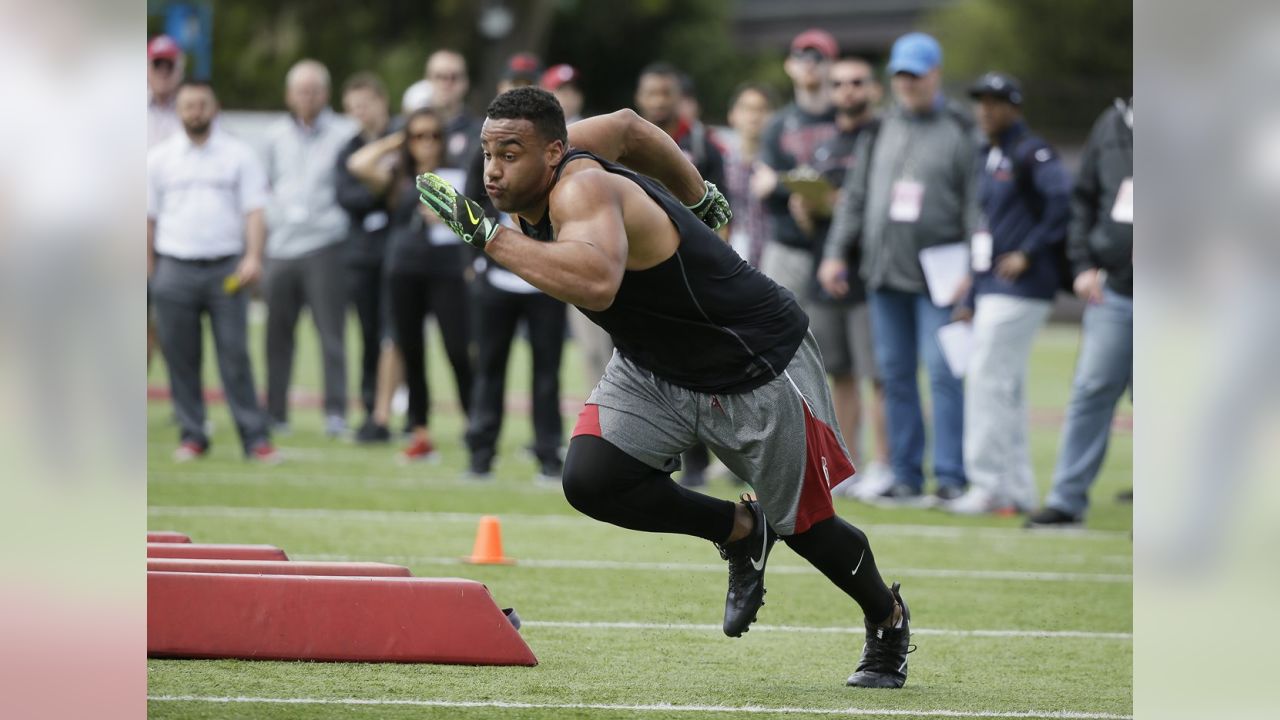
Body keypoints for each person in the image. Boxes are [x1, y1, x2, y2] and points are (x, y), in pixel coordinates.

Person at [416, 86, 913, 688]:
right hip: (656, 364)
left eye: (510, 154)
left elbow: (597, 281)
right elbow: (628, 126)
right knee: (592, 478)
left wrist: (489, 238)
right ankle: (738, 529)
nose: (492, 170)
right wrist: (700, 197)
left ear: (553, 152)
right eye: (488, 152)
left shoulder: (580, 186)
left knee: (807, 529)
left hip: (750, 364)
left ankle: (886, 619)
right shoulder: (552, 158)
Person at [818, 32, 977, 505]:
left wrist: (973, 268)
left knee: (944, 373)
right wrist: (834, 252)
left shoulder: (961, 130)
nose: (907, 84)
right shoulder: (879, 129)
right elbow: (856, 200)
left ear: (936, 75)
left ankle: (950, 475)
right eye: (900, 76)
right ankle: (906, 474)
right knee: (894, 375)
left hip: (942, 278)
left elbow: (975, 205)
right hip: (884, 275)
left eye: (916, 75)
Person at [945, 73, 1072, 515]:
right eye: (981, 102)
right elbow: (987, 231)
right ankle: (1016, 488)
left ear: (1015, 107)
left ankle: (989, 485)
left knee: (986, 379)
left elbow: (1062, 202)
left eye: (996, 102)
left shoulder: (1031, 151)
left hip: (1021, 287)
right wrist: (971, 297)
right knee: (1006, 388)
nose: (986, 110)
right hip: (994, 286)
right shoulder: (989, 153)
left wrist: (1029, 252)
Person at [147, 80, 278, 463]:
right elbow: (147, 218)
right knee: (180, 355)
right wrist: (151, 269)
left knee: (234, 354)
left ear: (214, 107)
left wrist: (253, 256)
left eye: (202, 104)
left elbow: (255, 210)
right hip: (174, 265)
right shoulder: (160, 158)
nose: (195, 111)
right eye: (188, 105)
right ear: (179, 111)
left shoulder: (238, 155)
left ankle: (255, 437)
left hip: (226, 268)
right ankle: (193, 434)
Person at [1025, 98, 1133, 528]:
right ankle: (1067, 501)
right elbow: (1083, 199)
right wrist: (1083, 263)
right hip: (1117, 289)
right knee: (1090, 389)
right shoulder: (1111, 123)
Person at [463, 54, 569, 482]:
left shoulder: (555, 153)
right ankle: (480, 452)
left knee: (547, 372)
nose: (496, 166)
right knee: (489, 366)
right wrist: (473, 260)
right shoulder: (488, 146)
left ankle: (547, 452)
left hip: (544, 278)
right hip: (499, 276)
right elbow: (470, 204)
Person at [347, 108, 473, 462]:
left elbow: (477, 219)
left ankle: (474, 424)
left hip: (446, 269)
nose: (427, 143)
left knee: (457, 349)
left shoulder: (457, 174)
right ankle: (420, 431)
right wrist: (394, 140)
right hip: (403, 269)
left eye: (434, 135)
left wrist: (451, 216)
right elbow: (358, 164)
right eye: (418, 136)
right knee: (410, 350)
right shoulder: (397, 176)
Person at [634, 61, 728, 487]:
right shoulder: (625, 143)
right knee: (646, 363)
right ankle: (651, 451)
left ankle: (699, 461)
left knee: (694, 366)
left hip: (692, 264)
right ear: (640, 98)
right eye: (651, 93)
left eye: (665, 93)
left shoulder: (703, 143)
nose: (658, 101)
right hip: (642, 266)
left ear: (679, 97)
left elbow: (723, 207)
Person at [808, 57, 893, 497]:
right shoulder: (824, 145)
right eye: (839, 83)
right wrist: (806, 204)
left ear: (873, 89)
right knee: (838, 373)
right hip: (827, 267)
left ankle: (886, 464)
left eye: (857, 82)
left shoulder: (884, 139)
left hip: (869, 271)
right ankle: (850, 464)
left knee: (877, 373)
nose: (847, 90)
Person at [262, 60, 354, 437]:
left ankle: (335, 412)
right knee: (276, 336)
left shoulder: (344, 134)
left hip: (325, 244)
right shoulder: (272, 137)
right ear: (289, 95)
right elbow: (264, 186)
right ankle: (276, 413)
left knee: (331, 333)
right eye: (301, 90)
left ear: (326, 94)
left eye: (314, 89)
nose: (308, 96)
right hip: (281, 246)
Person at [336, 72, 400, 443]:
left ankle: (397, 408)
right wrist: (381, 191)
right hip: (362, 254)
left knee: (398, 334)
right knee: (369, 334)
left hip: (396, 251)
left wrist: (375, 188)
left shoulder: (401, 139)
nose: (360, 112)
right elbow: (347, 196)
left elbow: (405, 190)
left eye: (365, 104)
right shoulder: (348, 148)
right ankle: (369, 409)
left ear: (381, 99)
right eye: (353, 107)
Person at [544, 64, 613, 387]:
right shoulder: (537, 140)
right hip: (553, 249)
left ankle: (608, 426)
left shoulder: (593, 134)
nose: (568, 97)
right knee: (578, 349)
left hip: (591, 248)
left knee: (602, 347)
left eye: (572, 90)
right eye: (561, 90)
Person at [756, 29, 838, 297]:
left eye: (818, 56)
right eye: (802, 56)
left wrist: (783, 182)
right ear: (790, 66)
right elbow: (762, 187)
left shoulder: (847, 119)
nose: (810, 63)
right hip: (788, 247)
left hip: (838, 249)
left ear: (832, 65)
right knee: (779, 332)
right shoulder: (777, 125)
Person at [723, 82, 776, 268]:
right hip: (731, 261)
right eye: (747, 108)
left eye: (761, 109)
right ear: (732, 115)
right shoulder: (720, 163)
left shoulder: (780, 164)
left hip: (774, 262)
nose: (754, 116)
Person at [425, 49, 482, 168]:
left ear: (465, 83)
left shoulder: (481, 132)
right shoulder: (411, 129)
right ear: (428, 80)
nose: (446, 83)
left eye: (454, 77)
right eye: (440, 77)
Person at [147, 35, 183, 150]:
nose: (163, 72)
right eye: (157, 64)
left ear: (180, 70)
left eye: (169, 66)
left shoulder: (194, 108)